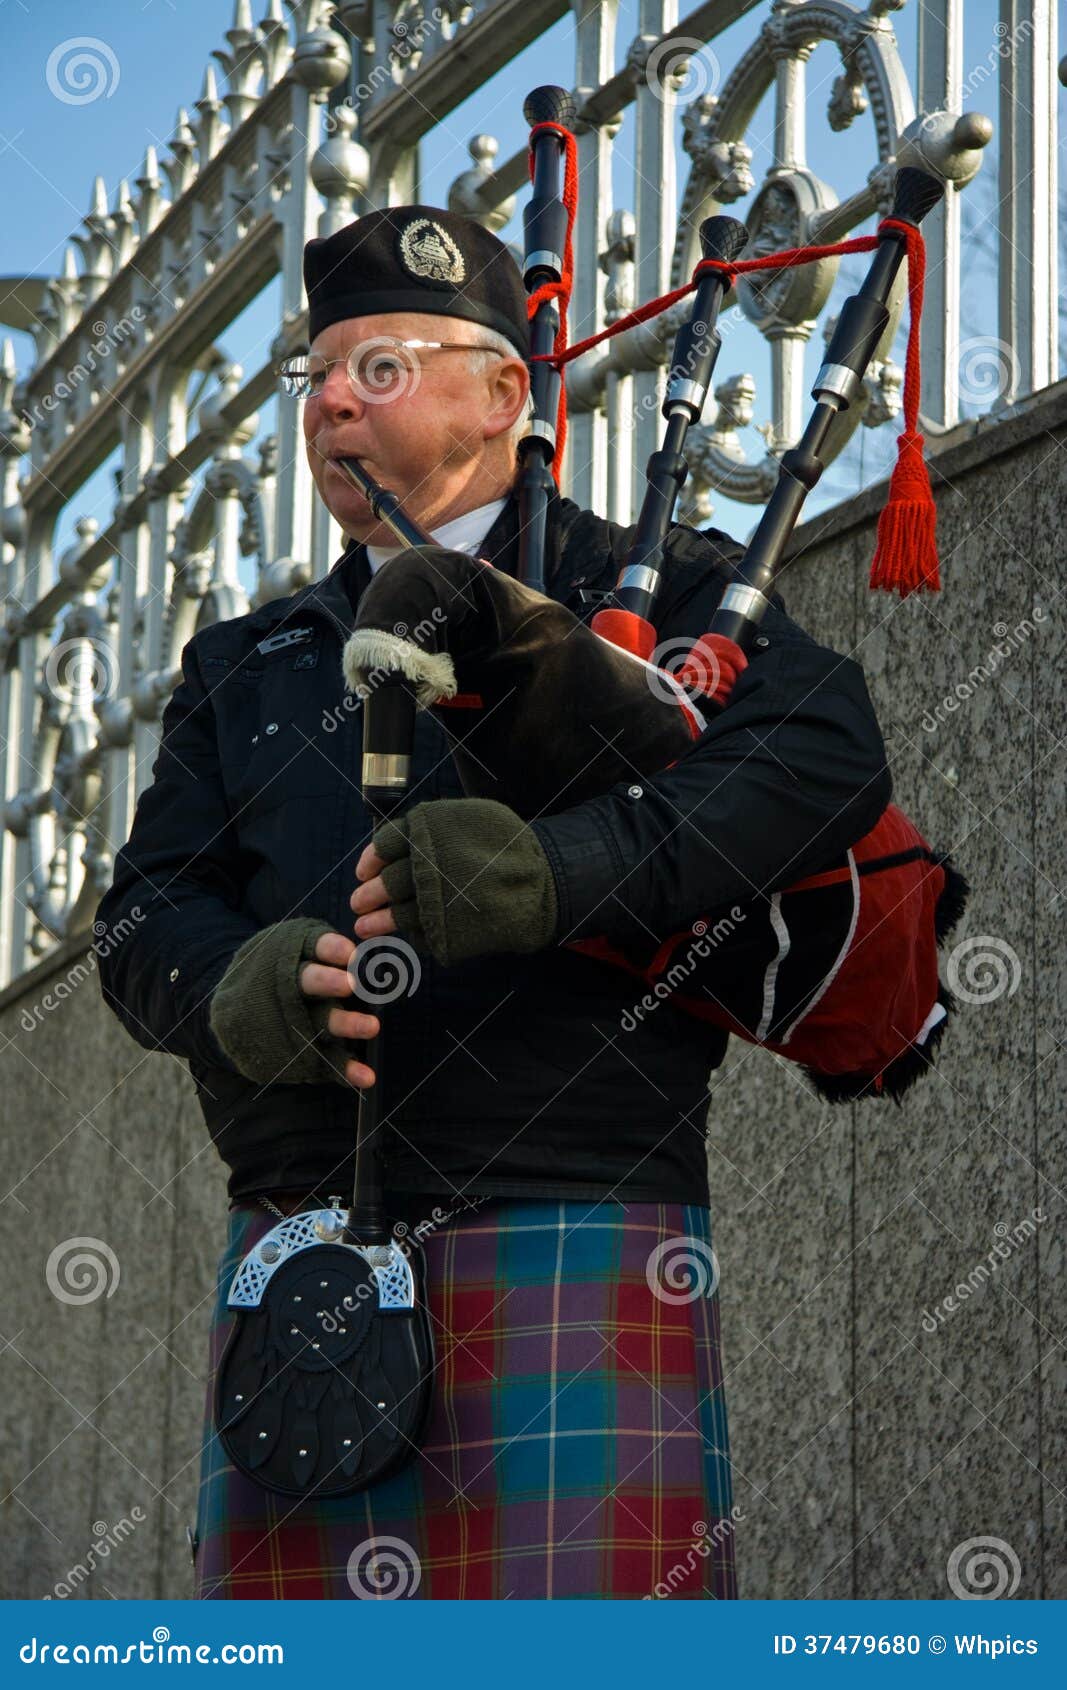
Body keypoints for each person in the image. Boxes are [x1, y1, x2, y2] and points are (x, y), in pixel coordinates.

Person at [95, 205, 890, 1600]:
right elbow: (140, 916)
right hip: (301, 1253)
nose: (332, 397)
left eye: (381, 367)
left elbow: (820, 761)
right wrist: (241, 985)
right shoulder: (248, 661)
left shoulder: (653, 594)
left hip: (571, 1226)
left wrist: (554, 876)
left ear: (504, 391)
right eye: (317, 373)